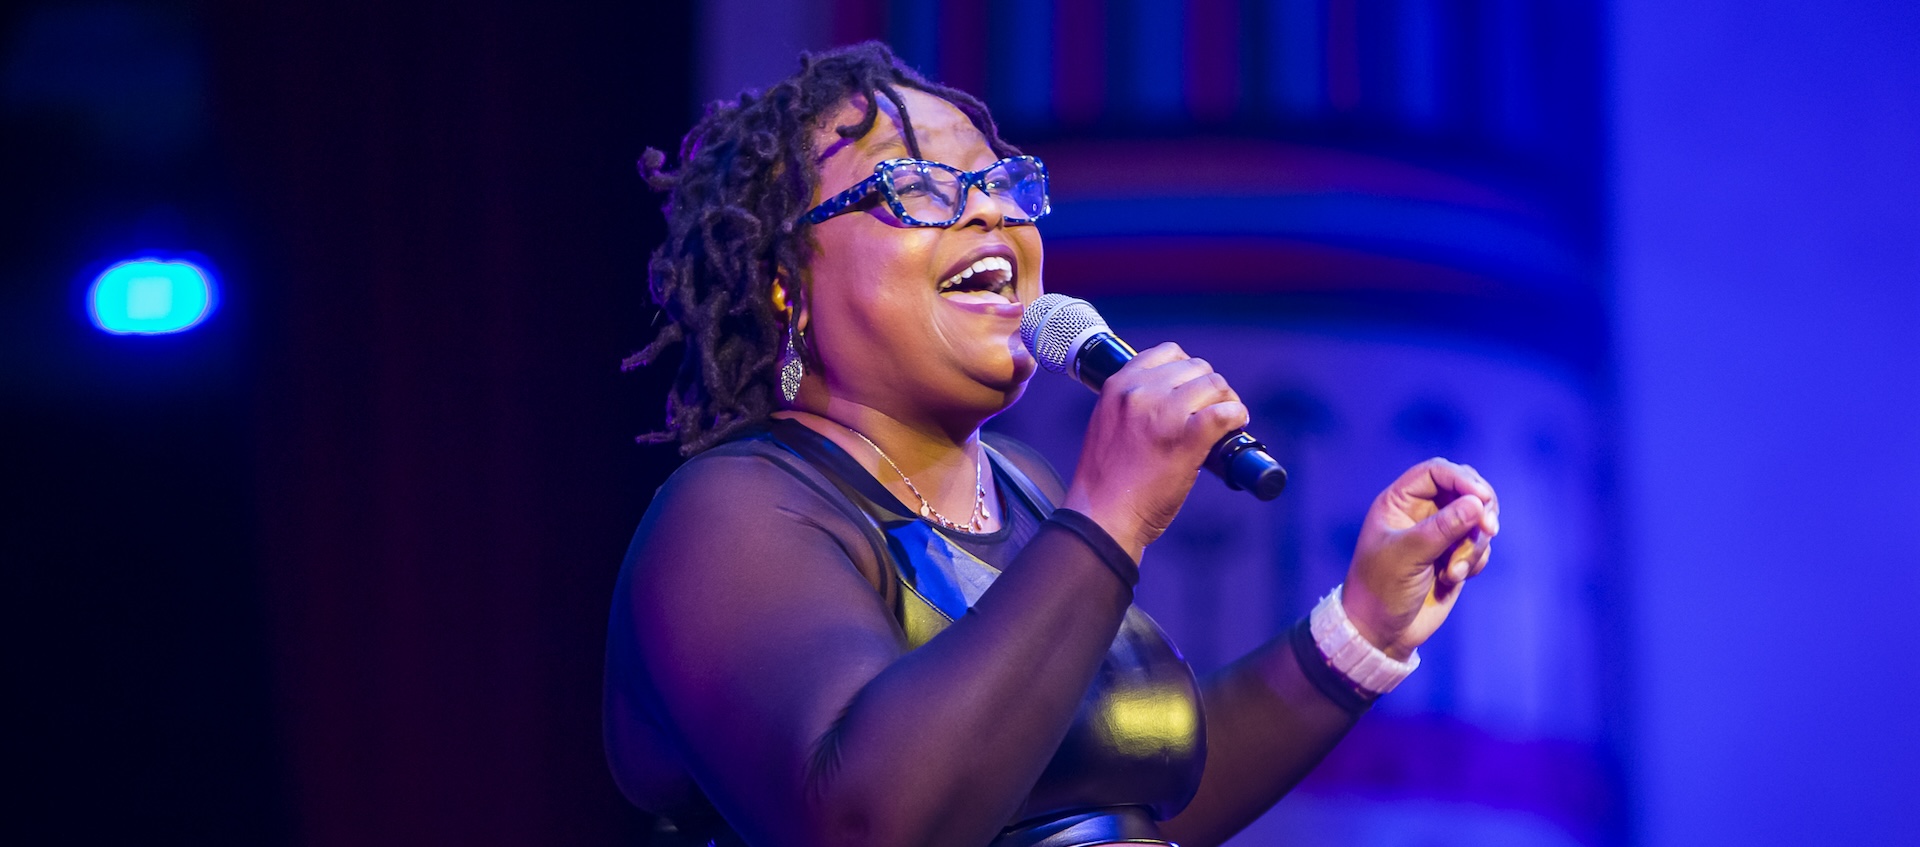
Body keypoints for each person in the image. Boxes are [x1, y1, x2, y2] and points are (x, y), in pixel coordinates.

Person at [603, 42, 1500, 847]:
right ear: (783, 284)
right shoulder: (729, 517)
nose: (991, 213)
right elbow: (868, 821)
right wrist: (1108, 517)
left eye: (1004, 184)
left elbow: (1136, 795)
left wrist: (1361, 629)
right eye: (915, 186)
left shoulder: (1024, 491)